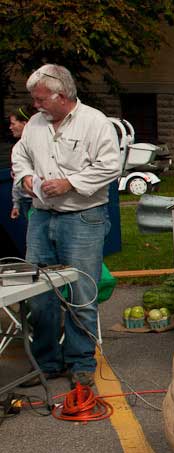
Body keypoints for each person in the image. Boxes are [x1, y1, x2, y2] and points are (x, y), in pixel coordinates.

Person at [11, 64, 120, 388]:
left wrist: (71, 183)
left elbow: (110, 166)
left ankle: (81, 363)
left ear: (63, 96)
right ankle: (45, 362)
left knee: (81, 292)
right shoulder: (34, 125)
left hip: (83, 216)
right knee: (38, 294)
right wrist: (26, 178)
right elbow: (21, 156)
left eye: (41, 98)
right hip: (42, 217)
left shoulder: (95, 123)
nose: (36, 104)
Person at [8, 104, 36, 220]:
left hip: (37, 201)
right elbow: (17, 181)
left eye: (13, 123)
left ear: (25, 124)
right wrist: (16, 204)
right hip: (25, 201)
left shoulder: (37, 146)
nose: (10, 127)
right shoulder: (18, 148)